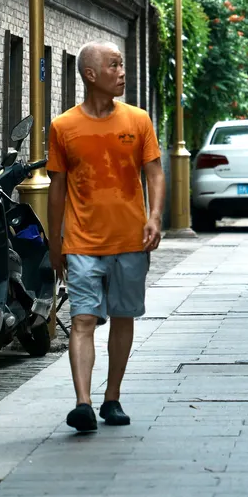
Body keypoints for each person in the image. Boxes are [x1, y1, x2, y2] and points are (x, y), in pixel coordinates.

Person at [47, 42, 166, 433]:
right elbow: (57, 188)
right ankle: (82, 403)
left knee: (122, 316)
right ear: (90, 74)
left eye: (122, 65)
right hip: (82, 242)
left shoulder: (138, 120)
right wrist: (55, 244)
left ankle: (111, 397)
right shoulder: (64, 127)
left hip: (131, 240)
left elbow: (154, 173)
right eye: (114, 66)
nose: (121, 72)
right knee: (82, 318)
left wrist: (154, 217)